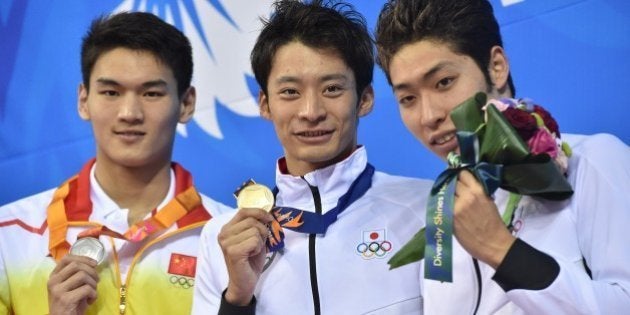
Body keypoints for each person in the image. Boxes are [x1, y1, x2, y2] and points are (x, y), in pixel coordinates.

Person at [375, 0, 630, 313]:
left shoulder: (591, 160)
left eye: (444, 82)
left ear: (496, 67)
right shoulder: (443, 208)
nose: (428, 116)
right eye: (408, 98)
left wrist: (501, 250)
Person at [192, 1, 433, 314]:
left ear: (365, 99)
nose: (311, 112)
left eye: (332, 88)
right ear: (265, 104)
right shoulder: (223, 239)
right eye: (290, 92)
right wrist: (237, 298)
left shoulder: (429, 208)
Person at [0, 11, 232, 315]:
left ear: (186, 104)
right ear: (83, 100)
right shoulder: (10, 235)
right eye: (111, 92)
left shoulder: (225, 237)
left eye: (151, 93)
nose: (129, 112)